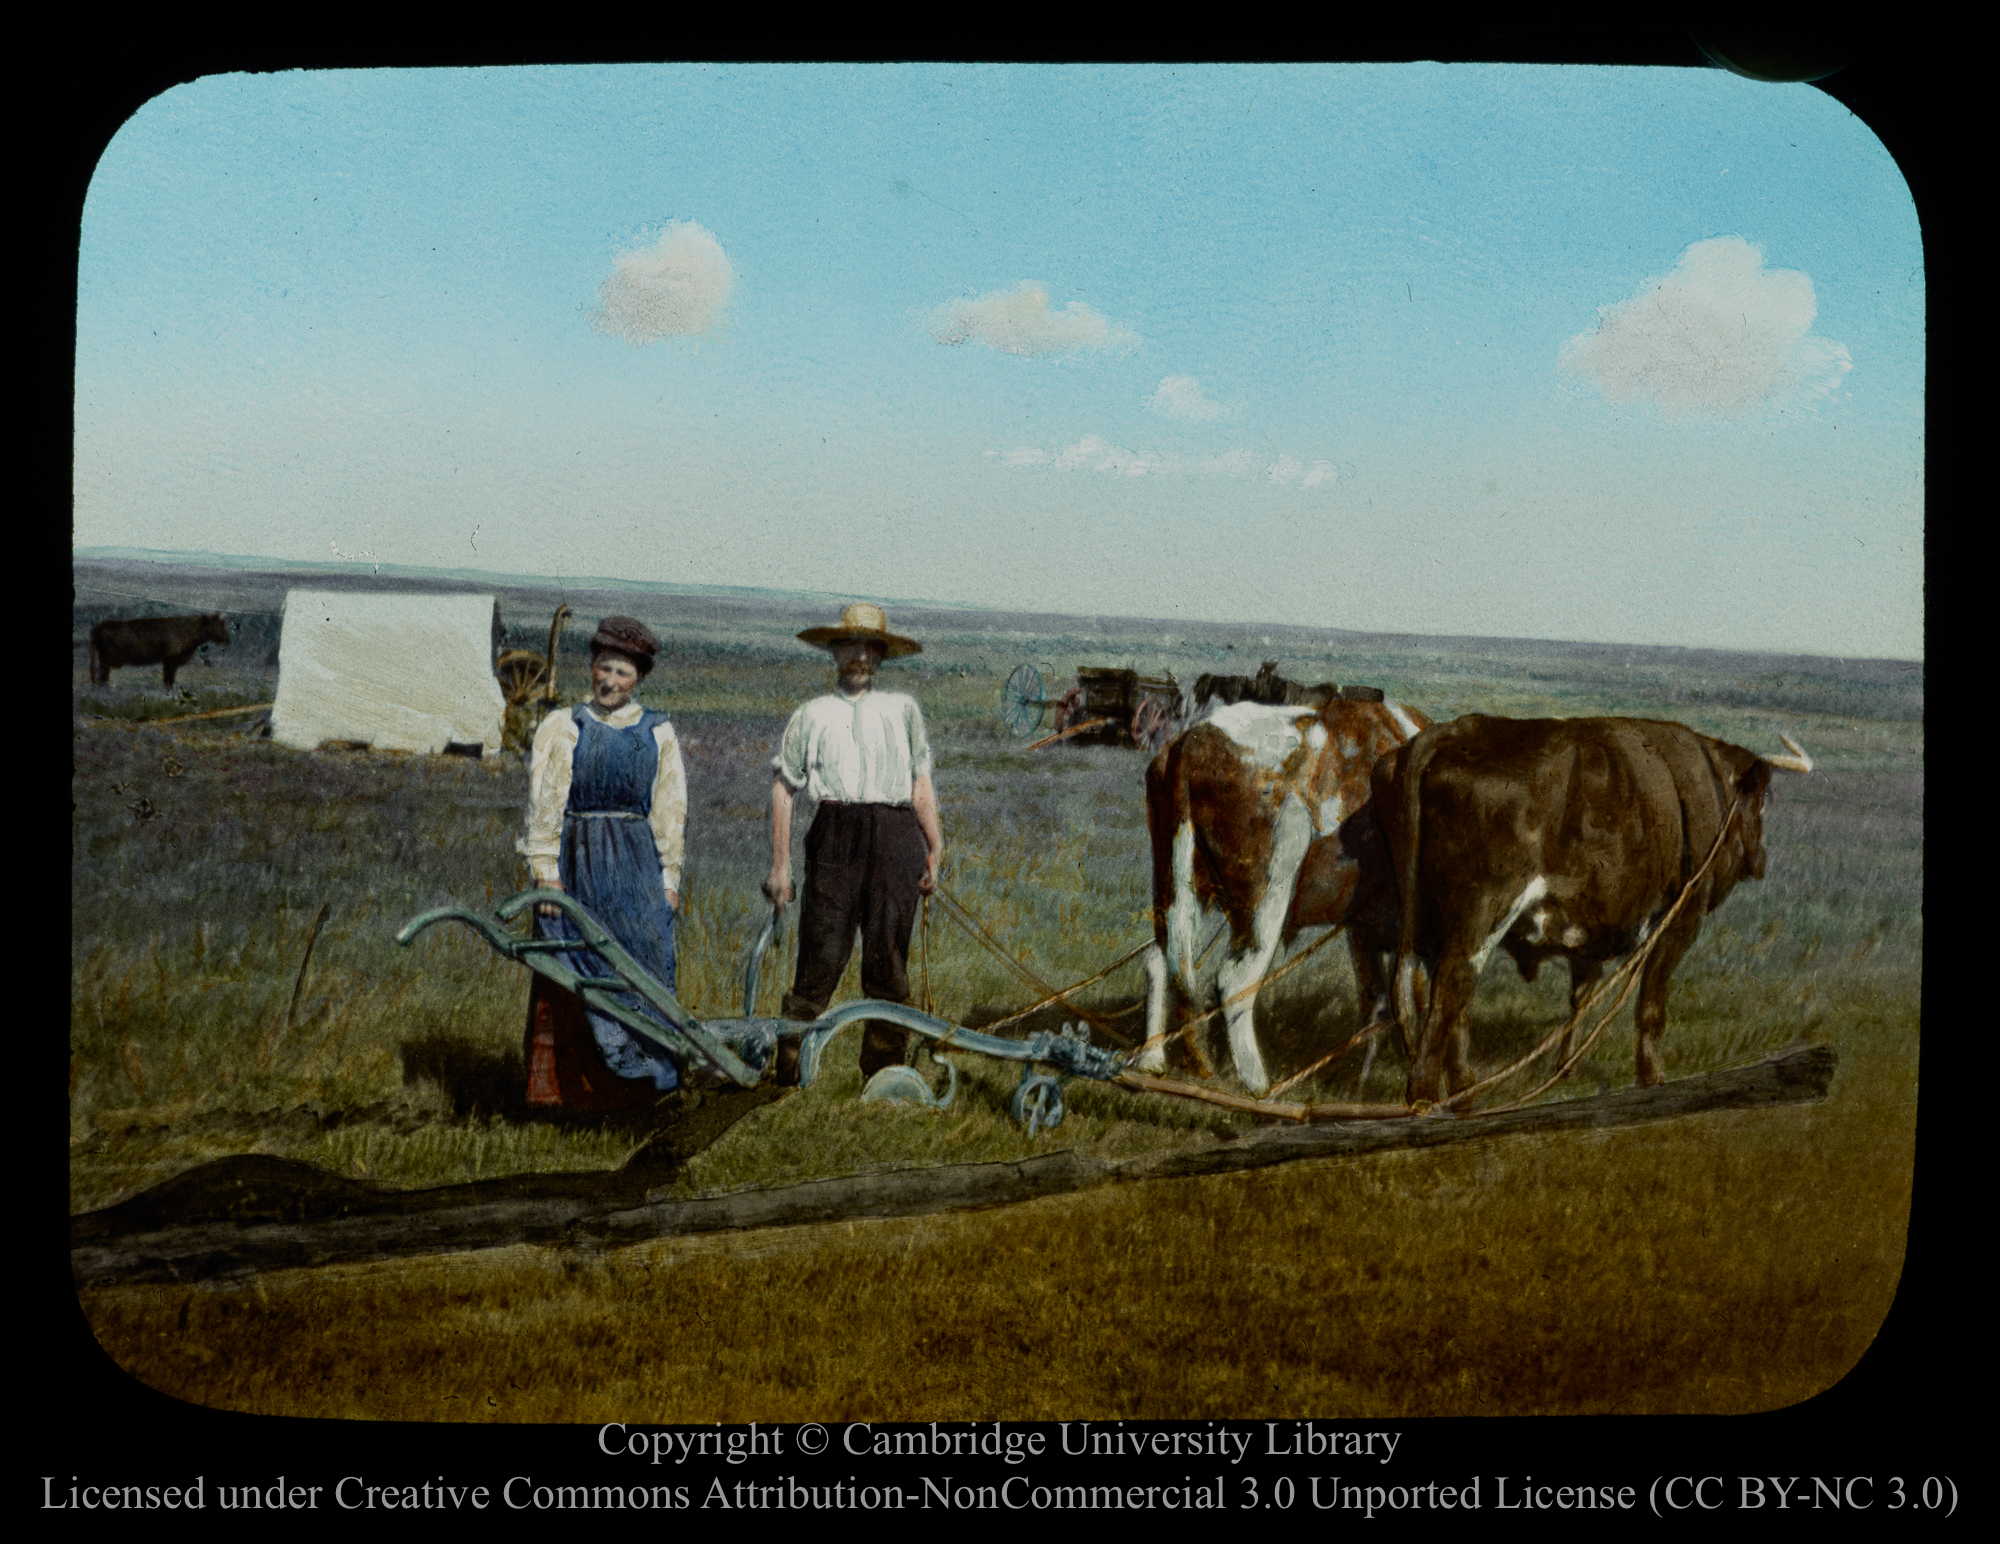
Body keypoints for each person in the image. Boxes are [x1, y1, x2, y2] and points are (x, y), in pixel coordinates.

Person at [765, 603, 944, 1084]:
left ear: (881, 656)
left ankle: (884, 1075)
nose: (860, 656)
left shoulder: (903, 709)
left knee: (888, 958)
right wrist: (780, 868)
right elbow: (784, 790)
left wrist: (935, 846)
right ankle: (788, 1071)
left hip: (895, 836)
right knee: (821, 954)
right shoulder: (812, 714)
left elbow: (920, 784)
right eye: (850, 646)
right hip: (834, 836)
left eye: (871, 648)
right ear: (834, 651)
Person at [516, 615, 688, 1109]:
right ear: (591, 667)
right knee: (572, 974)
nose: (611, 682)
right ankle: (569, 1096)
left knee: (644, 971)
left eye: (623, 674)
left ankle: (641, 1091)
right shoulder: (563, 726)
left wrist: (668, 878)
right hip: (577, 863)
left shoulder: (659, 732)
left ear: (638, 679)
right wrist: (547, 874)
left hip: (635, 869)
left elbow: (670, 810)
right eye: (604, 669)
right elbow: (545, 803)